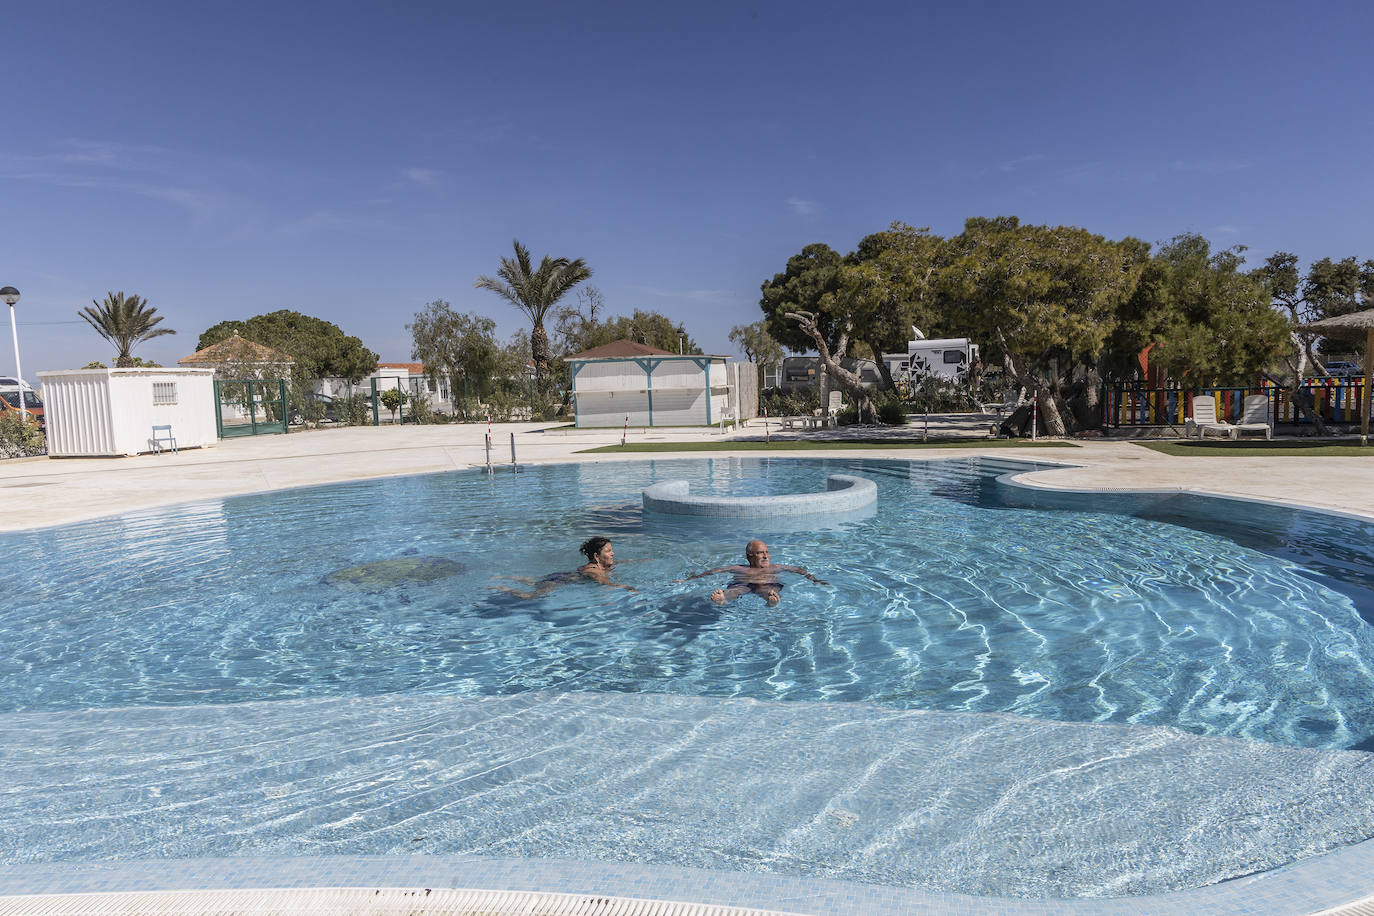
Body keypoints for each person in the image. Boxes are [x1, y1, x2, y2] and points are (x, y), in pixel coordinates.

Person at [682, 539, 827, 606]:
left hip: (767, 585)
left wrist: (815, 579)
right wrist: (688, 580)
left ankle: (771, 601)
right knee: (736, 589)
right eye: (760, 553)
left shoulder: (776, 567)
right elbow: (714, 571)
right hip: (743, 583)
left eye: (766, 552)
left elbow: (798, 570)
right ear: (749, 556)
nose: (765, 556)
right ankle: (724, 599)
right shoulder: (740, 568)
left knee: (767, 590)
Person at [495, 536, 636, 598]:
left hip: (560, 576)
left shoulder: (601, 566)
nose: (613, 553)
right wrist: (627, 587)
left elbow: (619, 563)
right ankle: (503, 588)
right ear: (596, 556)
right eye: (608, 551)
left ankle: (510, 577)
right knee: (532, 597)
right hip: (557, 581)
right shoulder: (593, 571)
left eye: (612, 550)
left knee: (534, 582)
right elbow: (606, 583)